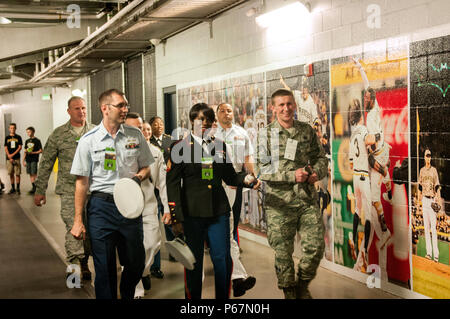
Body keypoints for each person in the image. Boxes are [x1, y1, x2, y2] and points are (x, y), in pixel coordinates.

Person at [166, 102, 260, 299]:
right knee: (193, 263)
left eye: (209, 121)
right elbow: (173, 185)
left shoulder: (219, 146)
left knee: (222, 261)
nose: (205, 124)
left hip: (219, 212)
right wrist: (176, 217)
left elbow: (230, 177)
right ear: (192, 121)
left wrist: (247, 179)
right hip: (192, 215)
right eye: (201, 120)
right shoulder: (179, 148)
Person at [70, 89, 154, 299]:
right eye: (121, 105)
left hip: (130, 205)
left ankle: (127, 292)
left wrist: (137, 178)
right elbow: (81, 182)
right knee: (104, 266)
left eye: (126, 105)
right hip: (101, 207)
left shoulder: (135, 135)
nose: (125, 109)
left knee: (136, 261)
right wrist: (77, 219)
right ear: (105, 108)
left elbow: (146, 167)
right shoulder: (88, 141)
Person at [256, 89, 328, 299]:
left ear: (294, 105)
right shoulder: (265, 134)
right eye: (281, 105)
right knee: (283, 253)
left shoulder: (306, 131)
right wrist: (290, 176)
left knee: (316, 247)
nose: (286, 108)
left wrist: (317, 172)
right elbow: (261, 169)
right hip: (279, 204)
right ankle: (289, 292)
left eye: (289, 104)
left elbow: (321, 158)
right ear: (273, 108)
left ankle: (302, 283)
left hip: (306, 200)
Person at [34, 97, 95, 280]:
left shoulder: (95, 132)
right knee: (73, 230)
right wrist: (40, 190)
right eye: (77, 108)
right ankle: (74, 275)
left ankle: (84, 263)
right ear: (68, 111)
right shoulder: (59, 134)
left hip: (94, 192)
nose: (81, 111)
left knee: (91, 232)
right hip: (69, 191)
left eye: (84, 108)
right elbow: (46, 163)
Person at [125, 112, 171, 298]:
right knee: (131, 249)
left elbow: (163, 183)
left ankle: (143, 272)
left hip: (149, 205)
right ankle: (137, 289)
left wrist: (167, 209)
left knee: (152, 244)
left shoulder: (155, 152)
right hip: (126, 207)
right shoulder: (117, 150)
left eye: (140, 128)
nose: (138, 131)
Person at [215, 102, 256, 297]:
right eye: (222, 110)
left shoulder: (242, 133)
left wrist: (253, 177)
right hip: (216, 187)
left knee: (230, 229)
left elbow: (248, 159)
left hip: (235, 185)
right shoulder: (210, 136)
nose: (226, 113)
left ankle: (237, 278)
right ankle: (237, 277)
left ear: (234, 113)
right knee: (226, 231)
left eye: (229, 110)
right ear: (217, 114)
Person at [352, 57, 392, 249]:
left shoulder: (374, 110)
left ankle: (385, 232)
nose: (364, 100)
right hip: (378, 154)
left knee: (375, 199)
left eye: (367, 99)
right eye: (365, 98)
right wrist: (359, 67)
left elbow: (374, 141)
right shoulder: (370, 111)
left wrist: (372, 139)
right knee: (369, 163)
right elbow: (367, 86)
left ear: (372, 100)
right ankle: (386, 177)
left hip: (380, 153)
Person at [149, 115, 177, 274]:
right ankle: (155, 266)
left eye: (161, 123)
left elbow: (175, 157)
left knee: (169, 222)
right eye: (155, 124)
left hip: (167, 187)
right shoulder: (149, 142)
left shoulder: (169, 140)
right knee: (155, 228)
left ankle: (174, 252)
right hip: (152, 189)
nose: (158, 126)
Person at [418, 149, 441, 262]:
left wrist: (438, 200)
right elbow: (419, 187)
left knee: (433, 228)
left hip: (432, 200)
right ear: (424, 157)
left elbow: (437, 186)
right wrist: (418, 201)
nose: (428, 157)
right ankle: (428, 252)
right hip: (424, 200)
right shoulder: (422, 171)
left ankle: (436, 255)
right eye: (427, 155)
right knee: (426, 228)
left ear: (431, 157)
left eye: (430, 155)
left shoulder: (434, 170)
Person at [22, 126, 43, 194]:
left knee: (34, 173)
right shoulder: (27, 141)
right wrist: (23, 160)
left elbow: (41, 150)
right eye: (27, 132)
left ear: (33, 132)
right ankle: (33, 187)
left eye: (29, 132)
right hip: (28, 159)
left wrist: (33, 152)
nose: (28, 133)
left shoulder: (37, 140)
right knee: (30, 174)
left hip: (34, 159)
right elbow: (25, 151)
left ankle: (37, 187)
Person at [4, 123, 23, 194]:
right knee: (11, 174)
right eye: (11, 128)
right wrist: (9, 155)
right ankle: (13, 188)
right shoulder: (7, 138)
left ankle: (18, 188)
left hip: (16, 158)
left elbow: (20, 147)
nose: (12, 129)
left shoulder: (18, 137)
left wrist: (13, 155)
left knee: (17, 173)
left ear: (15, 128)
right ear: (9, 129)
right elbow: (5, 147)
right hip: (9, 159)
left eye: (13, 128)